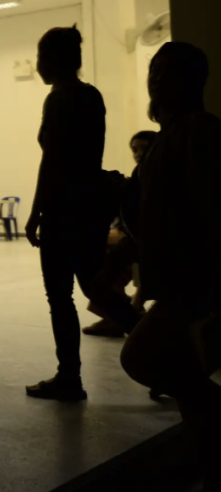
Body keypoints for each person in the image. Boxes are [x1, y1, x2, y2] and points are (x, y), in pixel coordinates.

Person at [121, 42, 221, 492]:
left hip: (194, 284)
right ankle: (209, 465)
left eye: (168, 71)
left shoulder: (198, 131)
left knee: (141, 356)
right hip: (179, 281)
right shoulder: (172, 136)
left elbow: (207, 210)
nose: (156, 78)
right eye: (154, 70)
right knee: (185, 379)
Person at [24, 26, 141, 401]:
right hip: (90, 208)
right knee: (95, 286)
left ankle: (69, 377)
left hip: (64, 210)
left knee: (60, 296)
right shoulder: (91, 96)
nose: (38, 65)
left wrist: (36, 211)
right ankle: (164, 352)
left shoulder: (59, 100)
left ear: (53, 60)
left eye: (41, 57)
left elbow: (52, 161)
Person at [82, 130, 157, 338]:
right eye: (135, 150)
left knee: (105, 270)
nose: (139, 153)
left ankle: (123, 316)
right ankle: (123, 313)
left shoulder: (154, 173)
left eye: (144, 148)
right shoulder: (140, 173)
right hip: (141, 240)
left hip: (150, 242)